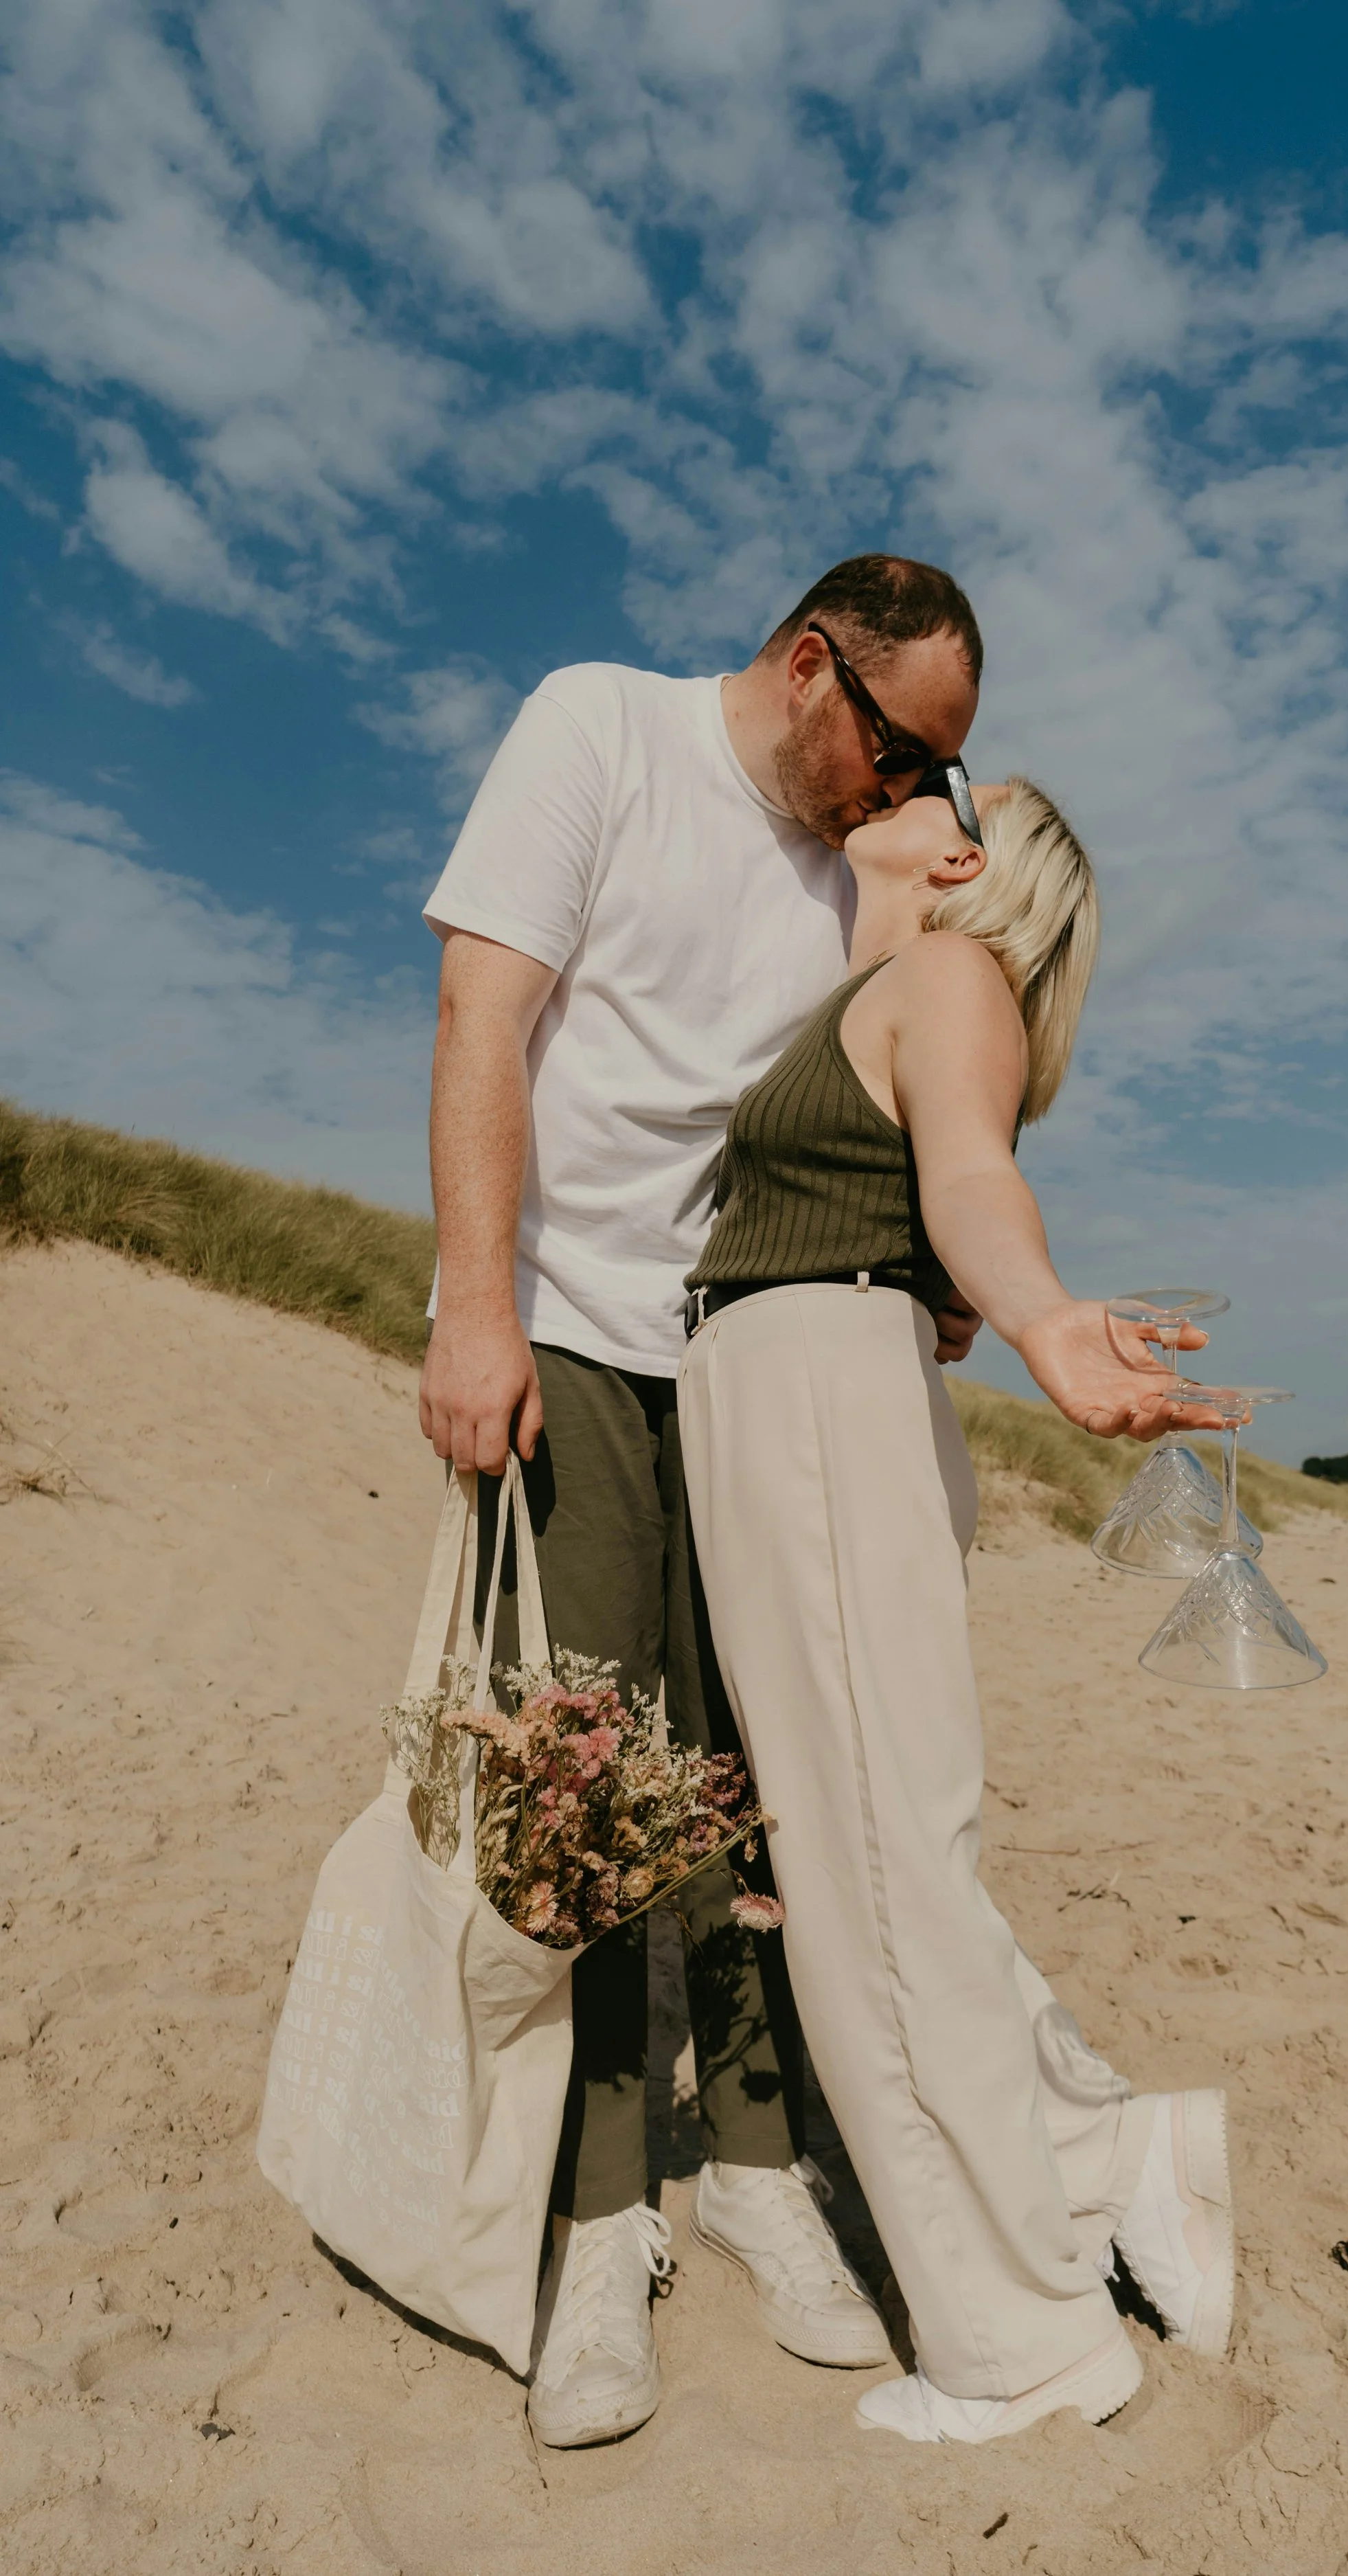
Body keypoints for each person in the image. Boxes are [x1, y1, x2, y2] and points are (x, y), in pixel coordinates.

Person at [418, 555, 991, 2446]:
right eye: (903, 748)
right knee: (597, 1778)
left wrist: (940, 1263)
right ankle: (599, 2220)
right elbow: (484, 1017)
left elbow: (860, 1096)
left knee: (760, 1771)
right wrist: (481, 1307)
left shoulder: (864, 857)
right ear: (810, 663)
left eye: (941, 775)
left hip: (764, 1353)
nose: (905, 789)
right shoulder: (598, 727)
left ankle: (749, 2158)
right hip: (575, 1330)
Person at [676, 776, 1236, 2443]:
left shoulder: (949, 983)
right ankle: (1100, 2147)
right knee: (874, 1850)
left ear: (971, 859)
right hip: (797, 1393)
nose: (895, 788)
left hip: (813, 1404)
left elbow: (973, 1180)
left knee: (865, 1869)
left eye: (938, 787)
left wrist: (1045, 1314)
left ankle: (1019, 2343)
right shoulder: (886, 981)